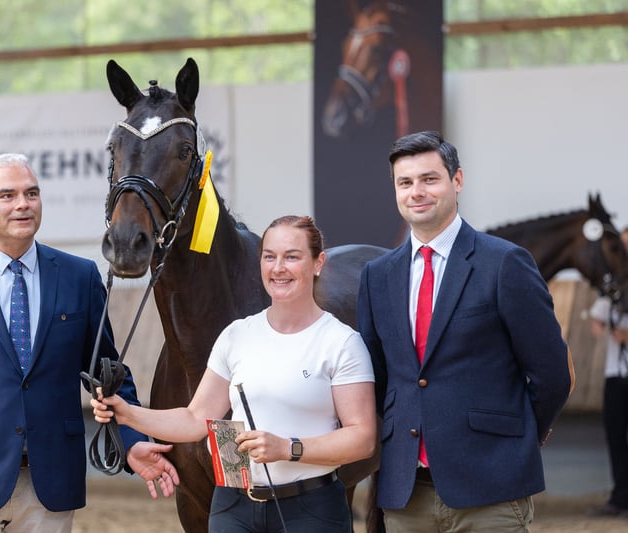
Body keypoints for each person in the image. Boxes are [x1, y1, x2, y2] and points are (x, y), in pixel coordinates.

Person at [0, 153, 178, 533]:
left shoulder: (79, 276)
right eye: (7, 195)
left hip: (50, 483)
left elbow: (107, 372)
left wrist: (131, 441)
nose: (23, 204)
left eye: (31, 193)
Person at [92, 215, 378, 532]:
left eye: (292, 257)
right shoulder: (235, 335)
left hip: (310, 508)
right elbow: (195, 418)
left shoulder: (342, 342)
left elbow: (362, 439)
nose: (278, 268)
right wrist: (128, 414)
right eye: (269, 257)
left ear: (318, 263)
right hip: (234, 509)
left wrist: (288, 448)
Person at [356, 131, 571, 531]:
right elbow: (378, 379)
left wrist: (519, 436)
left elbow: (552, 373)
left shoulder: (505, 262)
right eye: (405, 182)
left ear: (457, 181)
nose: (417, 192)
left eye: (429, 179)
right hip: (407, 495)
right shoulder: (377, 276)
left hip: (491, 488)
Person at [588, 226, 628, 517]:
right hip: (616, 374)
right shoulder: (614, 287)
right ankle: (621, 495)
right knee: (615, 436)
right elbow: (596, 319)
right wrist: (605, 330)